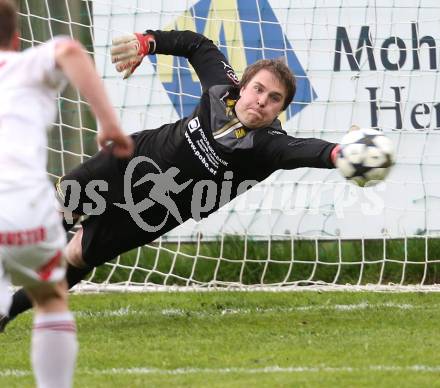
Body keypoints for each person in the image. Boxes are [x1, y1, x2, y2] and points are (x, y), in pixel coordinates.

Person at [1, 29, 340, 331]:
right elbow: (197, 44)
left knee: (75, 257)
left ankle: (6, 314)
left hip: (154, 211)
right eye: (259, 89)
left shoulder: (270, 145)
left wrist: (341, 154)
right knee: (57, 210)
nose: (262, 101)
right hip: (127, 162)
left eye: (274, 99)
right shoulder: (220, 89)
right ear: (243, 85)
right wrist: (147, 42)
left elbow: (310, 150)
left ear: (280, 110)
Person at [0, 1, 133, 387]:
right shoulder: (26, 65)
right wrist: (109, 124)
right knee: (51, 295)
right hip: (24, 209)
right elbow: (71, 51)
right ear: (17, 37)